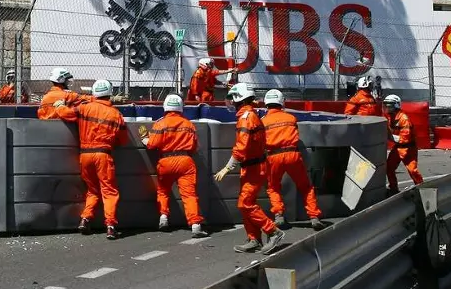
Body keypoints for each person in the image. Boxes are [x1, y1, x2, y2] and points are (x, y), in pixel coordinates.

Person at [52, 79, 128, 239]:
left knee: (93, 190)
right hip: (103, 156)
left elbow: (66, 114)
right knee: (109, 191)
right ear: (110, 93)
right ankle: (111, 225)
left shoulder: (84, 108)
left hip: (85, 155)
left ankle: (85, 219)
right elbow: (123, 140)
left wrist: (59, 105)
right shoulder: (116, 114)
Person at [213, 84, 285, 254]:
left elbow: (242, 145)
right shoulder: (249, 115)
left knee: (245, 203)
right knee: (245, 203)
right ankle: (254, 239)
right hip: (252, 166)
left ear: (240, 99)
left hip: (254, 167)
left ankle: (273, 232)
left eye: (232, 98)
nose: (230, 102)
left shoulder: (246, 117)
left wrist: (227, 167)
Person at [141, 94, 207, 238]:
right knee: (189, 195)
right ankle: (196, 225)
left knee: (163, 191)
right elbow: (194, 147)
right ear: (180, 107)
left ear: (165, 106)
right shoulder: (189, 124)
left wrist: (144, 139)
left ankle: (163, 218)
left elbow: (152, 144)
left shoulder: (160, 124)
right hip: (185, 161)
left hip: (166, 161)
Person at [261, 89, 326, 230]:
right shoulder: (291, 118)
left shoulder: (263, 122)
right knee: (305, 187)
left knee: (273, 187)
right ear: (281, 102)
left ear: (266, 103)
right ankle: (314, 217)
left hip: (273, 157)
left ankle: (279, 215)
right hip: (293, 155)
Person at [383, 94, 424, 195]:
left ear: (396, 106)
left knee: (412, 170)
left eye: (390, 105)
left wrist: (390, 137)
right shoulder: (389, 117)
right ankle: (393, 188)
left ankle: (422, 188)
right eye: (386, 105)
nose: (387, 108)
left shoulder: (404, 118)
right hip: (398, 147)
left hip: (409, 148)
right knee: (389, 168)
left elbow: (405, 139)